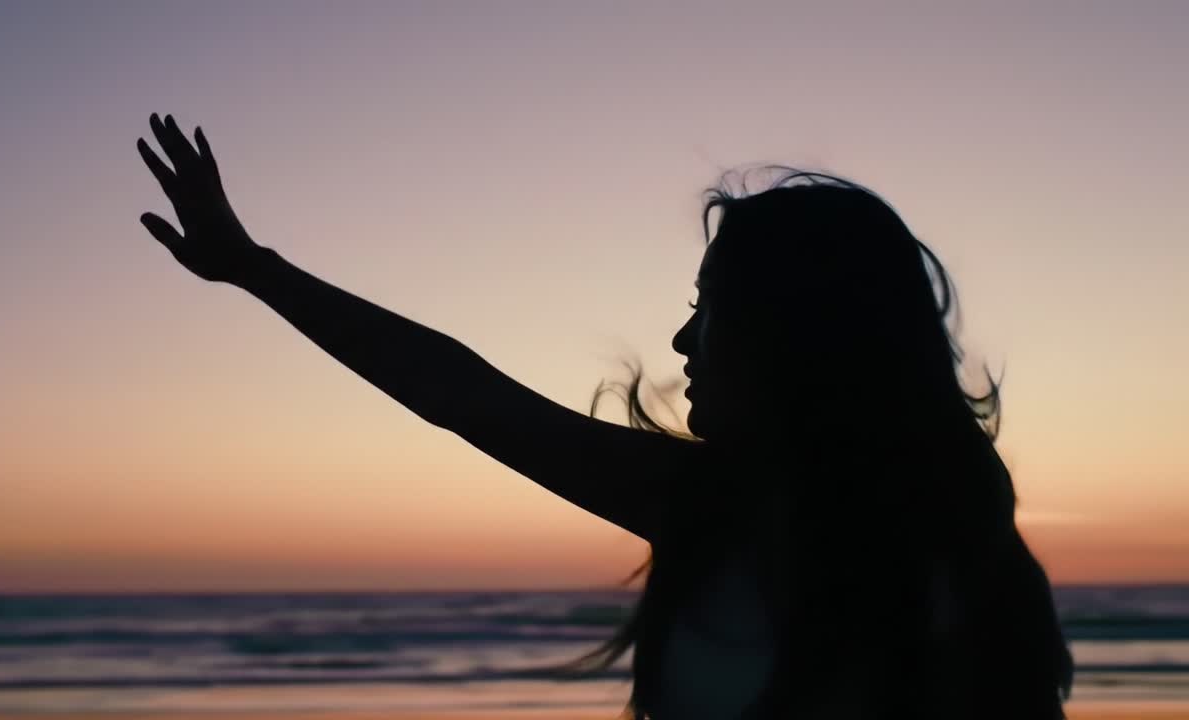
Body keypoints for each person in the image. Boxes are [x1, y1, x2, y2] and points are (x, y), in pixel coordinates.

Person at [136, 113, 1074, 719]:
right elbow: (458, 392)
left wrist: (256, 269)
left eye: (710, 308)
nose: (681, 339)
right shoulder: (710, 504)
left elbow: (463, 395)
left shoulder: (956, 564)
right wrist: (255, 269)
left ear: (793, 327)